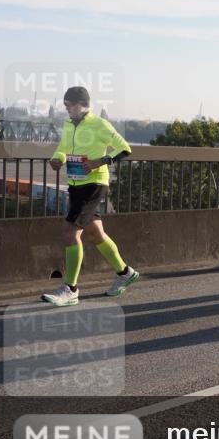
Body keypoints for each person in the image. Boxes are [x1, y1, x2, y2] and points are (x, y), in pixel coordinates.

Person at [42, 86, 139, 306]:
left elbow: (124, 148)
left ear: (81, 104)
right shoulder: (69, 125)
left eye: (69, 105)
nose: (67, 109)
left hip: (94, 184)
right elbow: (62, 148)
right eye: (65, 105)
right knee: (95, 234)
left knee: (70, 232)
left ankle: (70, 289)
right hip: (76, 185)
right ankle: (125, 273)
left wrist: (100, 162)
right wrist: (57, 159)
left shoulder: (99, 124)